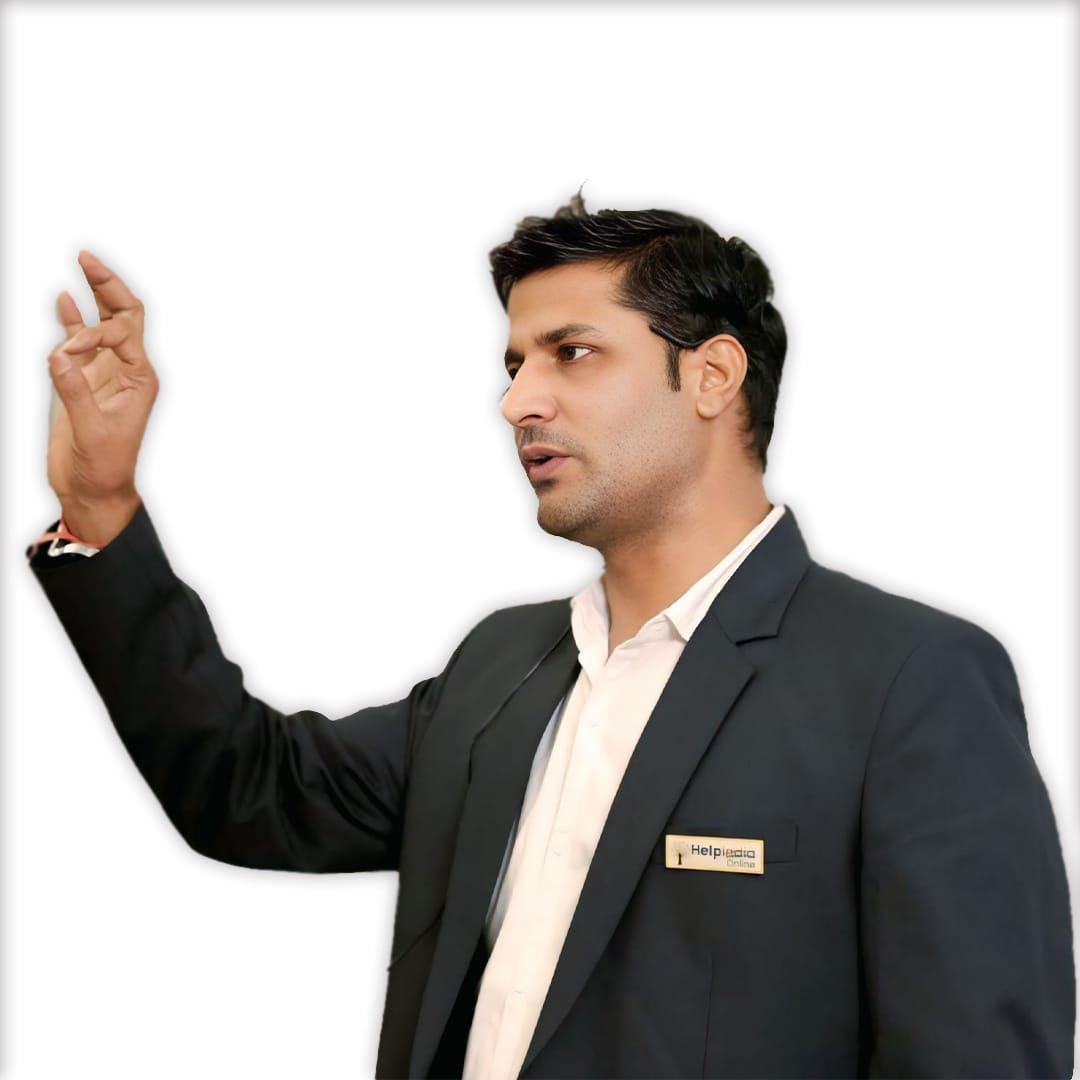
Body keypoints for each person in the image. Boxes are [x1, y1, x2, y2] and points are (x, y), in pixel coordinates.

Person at [27, 191, 1076, 1079]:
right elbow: (247, 790)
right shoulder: (503, 666)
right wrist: (100, 507)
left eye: (572, 353)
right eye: (516, 362)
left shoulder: (907, 681)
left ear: (713, 377)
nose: (518, 401)